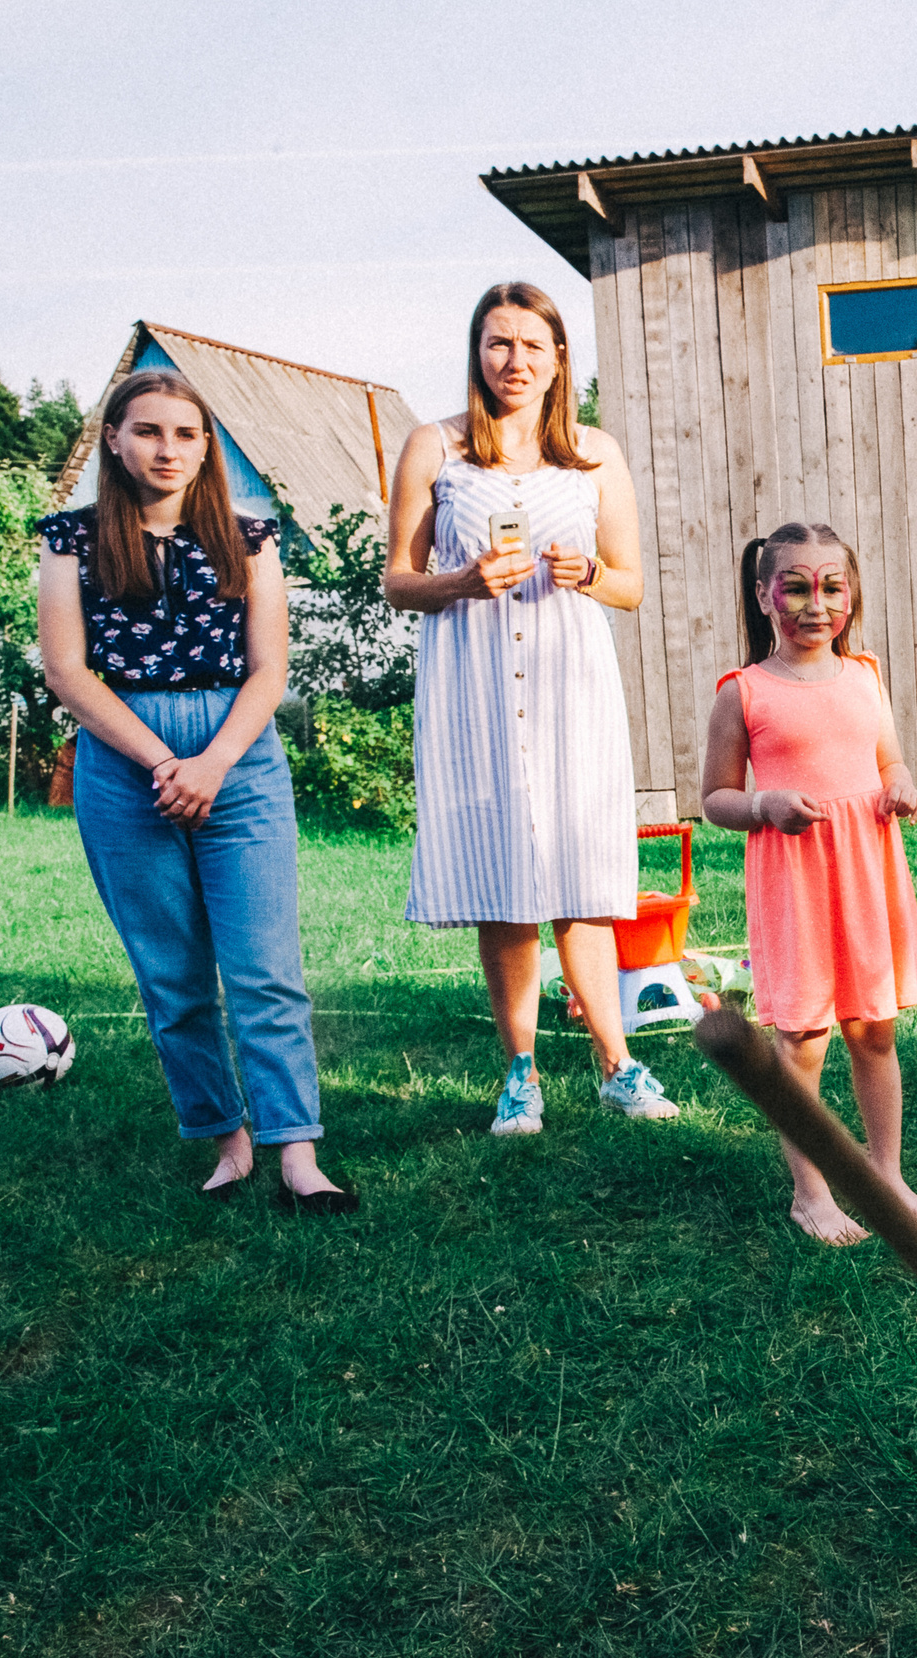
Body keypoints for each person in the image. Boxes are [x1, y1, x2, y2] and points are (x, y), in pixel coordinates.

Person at [35, 372, 353, 1211]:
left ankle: (297, 1153)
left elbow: (271, 668)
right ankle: (227, 1140)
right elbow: (66, 670)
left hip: (239, 759)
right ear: (113, 440)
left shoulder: (249, 536)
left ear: (206, 444)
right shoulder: (71, 539)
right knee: (172, 976)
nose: (167, 449)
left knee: (265, 971)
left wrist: (210, 763)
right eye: (148, 431)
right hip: (123, 764)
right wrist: (160, 761)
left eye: (185, 433)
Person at [384, 281, 679, 1134]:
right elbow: (398, 581)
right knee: (503, 880)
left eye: (531, 346)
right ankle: (521, 1073)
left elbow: (630, 584)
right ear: (478, 352)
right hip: (473, 688)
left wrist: (589, 572)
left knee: (582, 877)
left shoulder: (594, 453)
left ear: (558, 361)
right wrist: (461, 581)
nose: (514, 361)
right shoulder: (435, 446)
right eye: (498, 343)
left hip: (568, 687)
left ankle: (617, 1065)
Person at [699, 525, 917, 1246]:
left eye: (832, 587)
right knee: (802, 1039)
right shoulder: (744, 692)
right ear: (764, 595)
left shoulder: (865, 675)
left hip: (867, 871)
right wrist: (763, 805)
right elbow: (714, 798)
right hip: (795, 879)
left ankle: (886, 1176)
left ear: (851, 593)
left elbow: (888, 760)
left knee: (873, 1028)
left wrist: (901, 786)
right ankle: (812, 1193)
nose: (816, 604)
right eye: (796, 587)